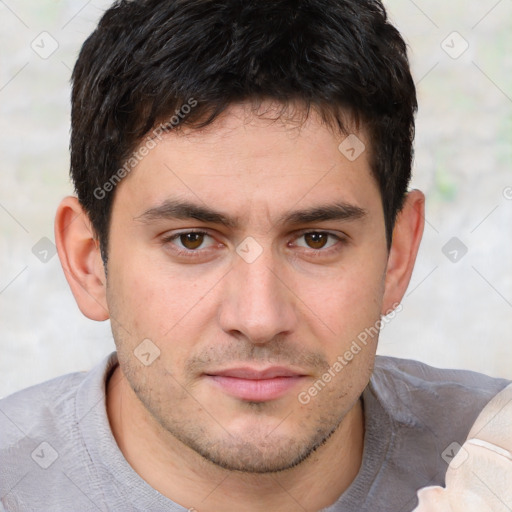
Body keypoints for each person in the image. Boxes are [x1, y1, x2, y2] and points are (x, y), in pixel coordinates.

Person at [0, 1, 509, 511]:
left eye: (316, 240)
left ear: (397, 255)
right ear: (89, 261)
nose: (260, 319)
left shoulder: (495, 459)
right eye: (192, 240)